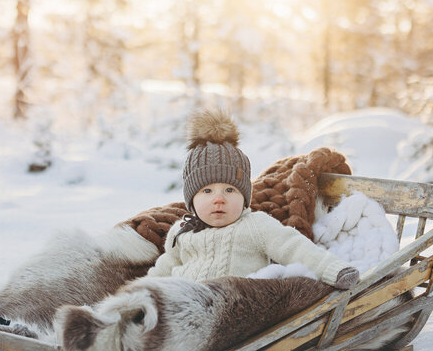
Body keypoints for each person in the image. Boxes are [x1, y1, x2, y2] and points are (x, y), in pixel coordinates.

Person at [147, 108, 361, 289]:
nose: (219, 199)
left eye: (230, 190)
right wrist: (136, 295)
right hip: (178, 311)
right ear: (191, 199)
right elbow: (164, 269)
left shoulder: (256, 226)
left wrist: (336, 271)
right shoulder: (181, 232)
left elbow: (297, 249)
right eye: (207, 191)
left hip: (233, 311)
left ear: (245, 197)